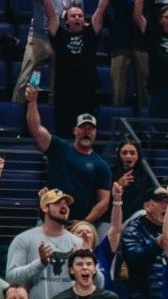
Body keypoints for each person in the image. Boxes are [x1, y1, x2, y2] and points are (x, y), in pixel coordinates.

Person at [36, 0, 111, 140]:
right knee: (64, 134)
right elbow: (50, 13)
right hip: (64, 92)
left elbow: (100, 11)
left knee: (87, 134)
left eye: (80, 16)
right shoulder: (59, 35)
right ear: (67, 21)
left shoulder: (90, 35)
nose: (77, 18)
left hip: (87, 91)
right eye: (73, 16)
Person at [26, 94, 113, 225]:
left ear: (95, 133)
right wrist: (32, 102)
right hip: (50, 220)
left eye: (90, 129)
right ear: (75, 130)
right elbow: (36, 129)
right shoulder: (59, 147)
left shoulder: (101, 165)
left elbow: (104, 202)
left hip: (79, 227)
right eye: (83, 127)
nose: (87, 132)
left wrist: (83, 223)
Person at [5, 188, 83, 299]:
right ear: (45, 208)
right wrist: (40, 263)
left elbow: (98, 282)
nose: (64, 206)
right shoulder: (24, 240)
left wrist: (85, 262)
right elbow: (12, 279)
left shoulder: (78, 242)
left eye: (66, 203)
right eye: (58, 203)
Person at [15, 0, 83, 104]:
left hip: (61, 43)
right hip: (39, 40)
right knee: (28, 79)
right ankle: (18, 111)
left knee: (57, 84)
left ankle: (53, 117)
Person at [107, 0, 149, 110]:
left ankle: (145, 125)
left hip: (142, 46)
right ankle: (118, 122)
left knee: (144, 88)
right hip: (121, 46)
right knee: (118, 89)